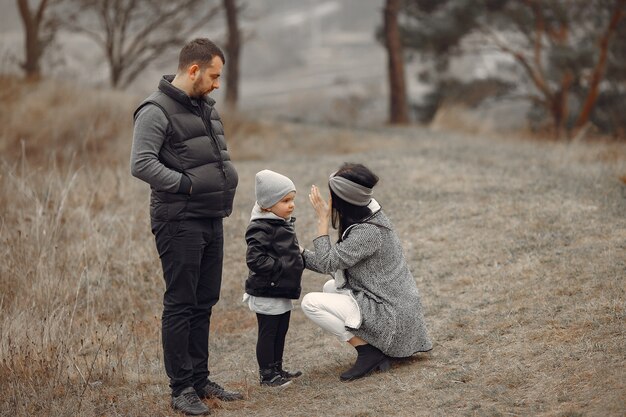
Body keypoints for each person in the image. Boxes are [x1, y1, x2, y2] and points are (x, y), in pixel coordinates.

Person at [130, 38, 241, 416]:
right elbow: (141, 163)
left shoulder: (205, 107)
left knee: (204, 300)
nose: (216, 84)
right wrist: (187, 185)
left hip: (211, 216)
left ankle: (199, 378)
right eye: (213, 75)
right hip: (178, 220)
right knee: (180, 303)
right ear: (193, 70)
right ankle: (181, 390)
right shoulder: (154, 110)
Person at [300, 162, 432, 381]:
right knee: (330, 287)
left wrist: (322, 221)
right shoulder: (369, 214)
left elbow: (327, 263)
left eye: (332, 195)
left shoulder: (367, 232)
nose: (328, 200)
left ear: (344, 200)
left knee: (311, 303)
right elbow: (333, 263)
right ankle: (372, 349)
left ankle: (369, 352)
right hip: (393, 306)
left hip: (393, 318)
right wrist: (300, 254)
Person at [243, 170, 305, 387]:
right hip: (267, 291)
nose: (291, 205)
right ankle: (267, 375)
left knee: (281, 330)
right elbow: (255, 260)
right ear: (268, 205)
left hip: (280, 290)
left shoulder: (281, 223)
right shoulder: (261, 227)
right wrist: (281, 268)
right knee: (269, 333)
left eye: (292, 200)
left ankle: (277, 368)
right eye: (285, 200)